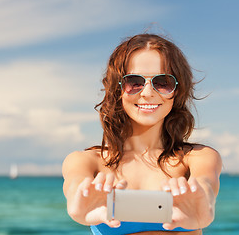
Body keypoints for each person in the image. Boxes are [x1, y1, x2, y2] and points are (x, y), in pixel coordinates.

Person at [62, 33, 222, 235]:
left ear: (177, 91)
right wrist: (79, 207)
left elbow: (206, 185)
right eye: (134, 81)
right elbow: (75, 190)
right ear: (117, 89)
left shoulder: (198, 158)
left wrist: (204, 206)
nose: (147, 92)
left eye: (162, 82)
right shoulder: (86, 161)